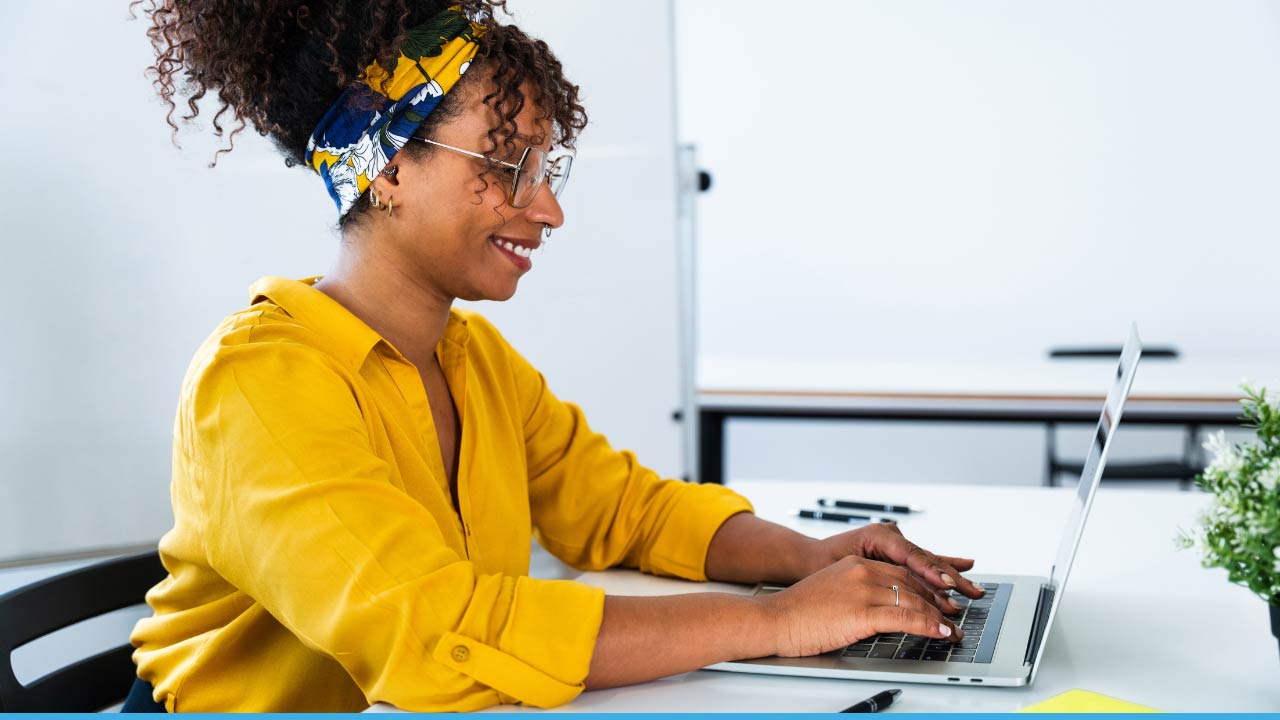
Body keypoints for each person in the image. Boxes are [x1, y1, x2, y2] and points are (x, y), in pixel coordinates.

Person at [124, 0, 984, 712]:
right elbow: (436, 634)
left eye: (545, 169)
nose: (547, 210)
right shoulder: (259, 383)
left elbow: (625, 511)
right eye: (506, 165)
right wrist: (777, 623)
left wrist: (809, 558)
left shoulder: (472, 359)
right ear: (385, 169)